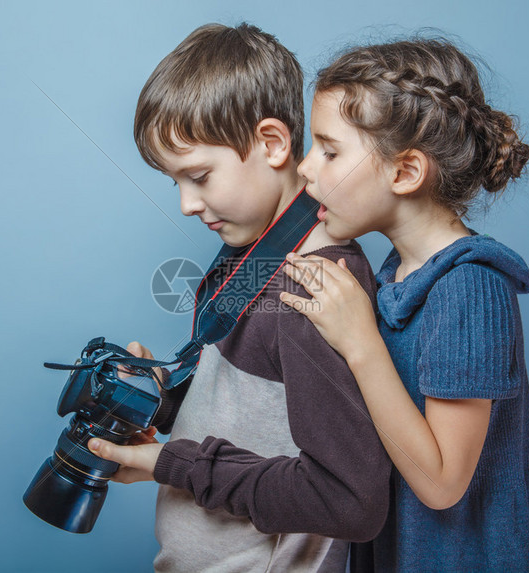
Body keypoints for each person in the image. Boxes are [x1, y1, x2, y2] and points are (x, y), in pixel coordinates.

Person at [87, 23, 392, 572]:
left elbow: (347, 501)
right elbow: (257, 416)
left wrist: (172, 464)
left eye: (199, 175)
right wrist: (168, 396)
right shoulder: (254, 253)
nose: (186, 203)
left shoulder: (314, 289)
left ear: (273, 144)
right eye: (175, 182)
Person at [278, 39, 529, 572]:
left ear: (405, 172)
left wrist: (360, 343)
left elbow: (441, 484)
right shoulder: (393, 279)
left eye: (329, 151)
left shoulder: (471, 288)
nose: (306, 169)